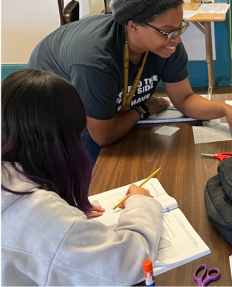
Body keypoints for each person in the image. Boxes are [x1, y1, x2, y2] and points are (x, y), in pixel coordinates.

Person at [29, 0, 232, 161]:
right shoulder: (96, 59)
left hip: (98, 96)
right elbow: (103, 136)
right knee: (99, 164)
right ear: (133, 25)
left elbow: (183, 99)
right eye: (166, 32)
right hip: (52, 107)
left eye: (180, 28)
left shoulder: (168, 44)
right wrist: (142, 109)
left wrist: (224, 110)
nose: (176, 39)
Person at [0, 69, 163, 286]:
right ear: (62, 141)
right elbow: (125, 265)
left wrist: (65, 213)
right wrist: (142, 203)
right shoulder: (34, 212)